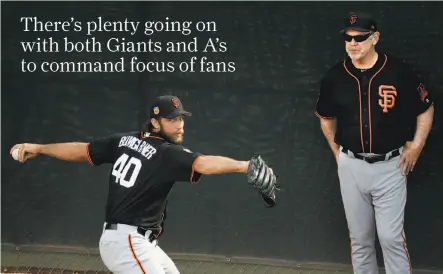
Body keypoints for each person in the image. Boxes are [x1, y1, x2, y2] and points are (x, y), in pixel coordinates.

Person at [10, 95, 278, 274]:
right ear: (155, 122)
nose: (180, 124)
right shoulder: (166, 152)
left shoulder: (123, 140)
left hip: (136, 242)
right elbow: (204, 163)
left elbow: (82, 150)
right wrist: (244, 166)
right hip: (128, 240)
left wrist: (40, 148)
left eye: (181, 118)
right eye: (172, 120)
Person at [315, 12, 434, 274]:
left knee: (391, 238)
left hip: (390, 165)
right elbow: (325, 118)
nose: (353, 43)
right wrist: (338, 154)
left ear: (375, 38)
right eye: (348, 37)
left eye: (360, 37)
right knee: (359, 239)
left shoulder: (399, 71)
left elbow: (425, 108)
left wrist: (416, 145)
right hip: (351, 165)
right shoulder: (335, 77)